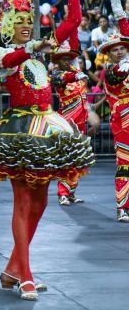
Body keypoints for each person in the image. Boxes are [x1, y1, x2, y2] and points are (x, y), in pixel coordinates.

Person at [0, 0, 94, 300]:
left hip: (47, 127)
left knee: (42, 202)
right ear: (8, 25)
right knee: (22, 203)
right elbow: (9, 61)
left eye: (27, 22)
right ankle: (26, 276)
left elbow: (74, 21)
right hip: (20, 131)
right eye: (19, 22)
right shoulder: (3, 53)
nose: (25, 27)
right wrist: (33, 47)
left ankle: (13, 269)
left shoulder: (39, 53)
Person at [50, 42, 90, 206]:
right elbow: (60, 79)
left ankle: (71, 192)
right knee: (67, 158)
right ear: (57, 62)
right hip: (68, 122)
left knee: (79, 160)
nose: (67, 62)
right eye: (64, 59)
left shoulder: (77, 72)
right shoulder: (57, 75)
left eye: (70, 59)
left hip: (82, 122)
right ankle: (63, 194)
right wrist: (73, 75)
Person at [101, 0, 129, 223]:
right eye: (115, 50)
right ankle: (122, 206)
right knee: (125, 164)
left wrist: (119, 12)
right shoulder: (110, 71)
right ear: (109, 54)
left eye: (123, 48)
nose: (120, 51)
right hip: (123, 123)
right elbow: (120, 72)